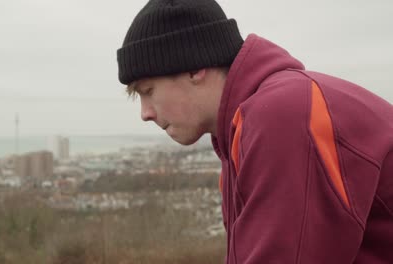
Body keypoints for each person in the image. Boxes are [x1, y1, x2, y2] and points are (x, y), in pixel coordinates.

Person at [116, 0, 393, 263]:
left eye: (148, 91)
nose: (145, 113)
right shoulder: (239, 132)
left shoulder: (282, 114)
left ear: (194, 68)